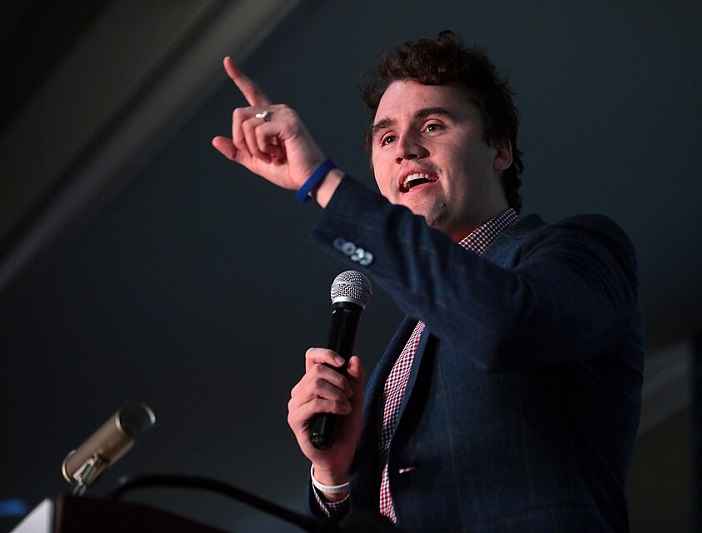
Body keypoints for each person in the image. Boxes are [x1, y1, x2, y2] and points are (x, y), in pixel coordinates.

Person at [212, 31, 644, 532]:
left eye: (433, 125)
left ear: (500, 148)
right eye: (386, 138)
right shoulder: (408, 342)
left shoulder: (581, 250)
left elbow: (505, 325)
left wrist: (323, 182)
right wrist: (333, 476)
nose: (405, 150)